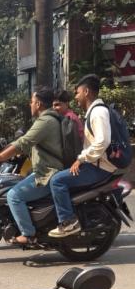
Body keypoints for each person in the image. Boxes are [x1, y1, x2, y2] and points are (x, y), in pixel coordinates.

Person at [0, 86, 64, 245]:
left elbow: (23, 142)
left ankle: (29, 234)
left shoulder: (45, 121)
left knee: (14, 195)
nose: (30, 104)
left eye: (32, 101)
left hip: (48, 174)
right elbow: (27, 142)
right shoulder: (51, 118)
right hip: (47, 170)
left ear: (39, 104)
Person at [48, 74, 116, 237]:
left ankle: (68, 222)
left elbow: (102, 141)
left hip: (99, 167)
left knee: (57, 181)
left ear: (86, 92)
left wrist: (81, 159)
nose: (76, 98)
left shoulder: (98, 113)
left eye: (77, 93)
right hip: (96, 164)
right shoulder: (94, 112)